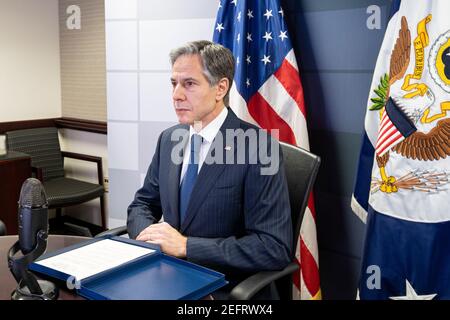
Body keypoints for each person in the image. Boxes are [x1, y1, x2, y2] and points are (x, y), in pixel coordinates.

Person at [127, 40, 292, 299]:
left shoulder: (260, 148)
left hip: (222, 287)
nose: (176, 95)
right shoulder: (170, 138)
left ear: (220, 88)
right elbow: (141, 205)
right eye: (174, 83)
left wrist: (186, 246)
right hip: (165, 275)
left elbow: (272, 247)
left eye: (189, 84)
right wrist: (151, 237)